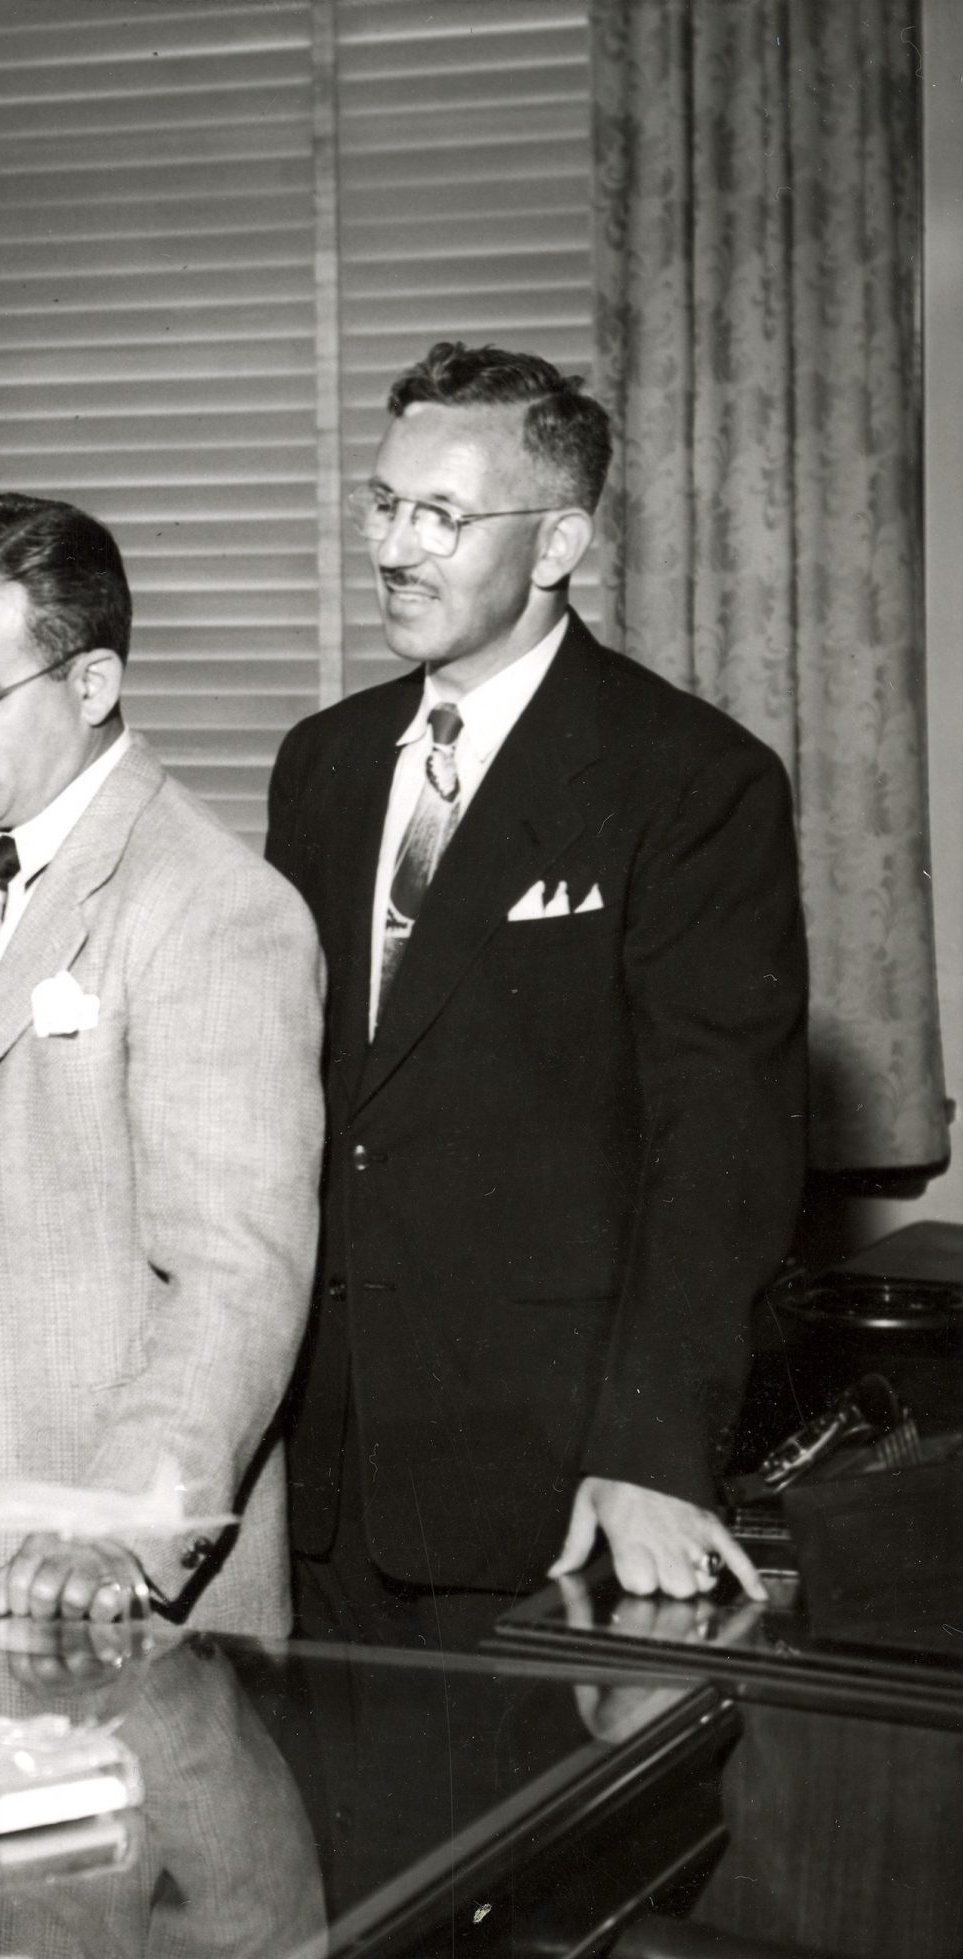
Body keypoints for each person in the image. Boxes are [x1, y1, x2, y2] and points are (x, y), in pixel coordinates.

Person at [265, 344, 808, 1637]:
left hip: (551, 1482)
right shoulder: (326, 763)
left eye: (440, 515)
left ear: (559, 539)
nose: (395, 547)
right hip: (321, 1469)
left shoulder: (689, 779)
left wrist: (652, 1449)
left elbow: (722, 1149)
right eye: (384, 503)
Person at [0, 499, 323, 1635]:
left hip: (63, 1473)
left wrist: (120, 1527)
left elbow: (235, 1280)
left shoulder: (212, 906)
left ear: (91, 686)